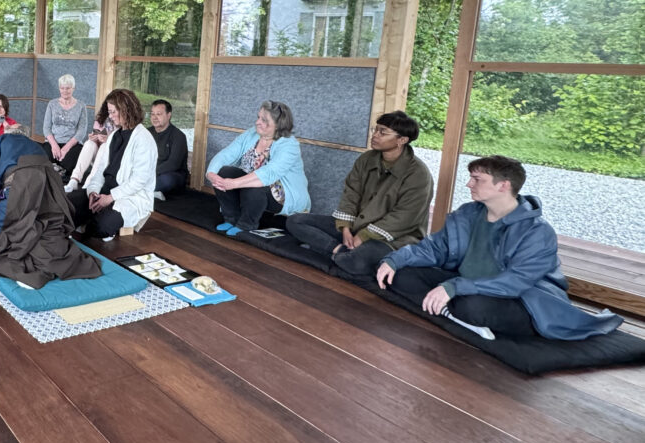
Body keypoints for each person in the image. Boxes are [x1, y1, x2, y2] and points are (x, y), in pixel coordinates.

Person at [375, 156, 622, 340]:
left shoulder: (537, 232)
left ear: (503, 186)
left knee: (473, 307)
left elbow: (515, 282)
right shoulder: (469, 214)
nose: (468, 184)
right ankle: (454, 313)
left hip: (521, 300)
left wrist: (455, 287)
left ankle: (457, 313)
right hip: (467, 283)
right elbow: (435, 248)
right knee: (401, 274)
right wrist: (396, 259)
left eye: (477, 179)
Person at [286, 110, 432, 280]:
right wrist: (346, 228)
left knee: (357, 262)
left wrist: (364, 236)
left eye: (382, 132)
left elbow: (404, 217)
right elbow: (351, 194)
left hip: (392, 237)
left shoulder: (419, 174)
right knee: (295, 221)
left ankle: (339, 253)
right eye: (375, 130)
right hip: (356, 227)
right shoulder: (367, 159)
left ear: (402, 140)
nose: (375, 135)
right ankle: (339, 251)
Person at [0, 132, 101, 287]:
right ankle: (44, 244)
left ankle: (28, 251)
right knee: (46, 224)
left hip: (22, 180)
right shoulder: (31, 143)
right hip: (51, 182)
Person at [206, 100, 310, 235]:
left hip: (281, 193)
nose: (257, 122)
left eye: (264, 120)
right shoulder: (251, 134)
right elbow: (227, 153)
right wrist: (211, 173)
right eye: (258, 117)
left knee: (255, 184)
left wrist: (233, 183)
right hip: (252, 185)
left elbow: (269, 173)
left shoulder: (289, 145)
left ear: (278, 125)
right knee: (224, 172)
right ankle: (231, 219)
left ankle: (246, 225)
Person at [66, 89, 157, 242]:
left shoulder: (144, 139)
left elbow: (139, 180)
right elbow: (100, 170)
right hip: (104, 190)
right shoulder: (115, 135)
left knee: (101, 227)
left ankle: (93, 221)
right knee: (66, 205)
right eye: (109, 112)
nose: (110, 116)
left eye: (113, 112)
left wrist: (110, 197)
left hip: (128, 197)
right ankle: (88, 215)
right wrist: (93, 192)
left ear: (126, 110)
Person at [64, 101, 116, 194]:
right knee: (89, 143)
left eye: (113, 110)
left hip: (111, 159)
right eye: (109, 110)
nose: (111, 114)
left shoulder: (121, 122)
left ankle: (89, 183)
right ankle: (74, 180)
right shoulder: (101, 119)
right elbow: (97, 133)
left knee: (104, 146)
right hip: (98, 154)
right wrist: (94, 137)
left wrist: (108, 140)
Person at [42, 74, 89, 177]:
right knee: (45, 162)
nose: (65, 91)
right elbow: (46, 128)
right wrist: (54, 145)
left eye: (68, 88)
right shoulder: (52, 104)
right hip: (53, 142)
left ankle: (60, 175)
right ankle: (55, 172)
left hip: (72, 144)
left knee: (68, 164)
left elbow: (82, 131)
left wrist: (66, 148)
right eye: (62, 88)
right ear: (59, 88)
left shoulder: (81, 106)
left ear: (73, 88)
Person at [148, 99, 189, 199]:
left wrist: (149, 173)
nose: (154, 117)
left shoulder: (178, 136)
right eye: (152, 114)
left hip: (170, 173)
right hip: (148, 173)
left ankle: (141, 191)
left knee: (167, 180)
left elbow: (173, 164)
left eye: (159, 114)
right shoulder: (146, 133)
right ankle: (149, 192)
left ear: (168, 115)